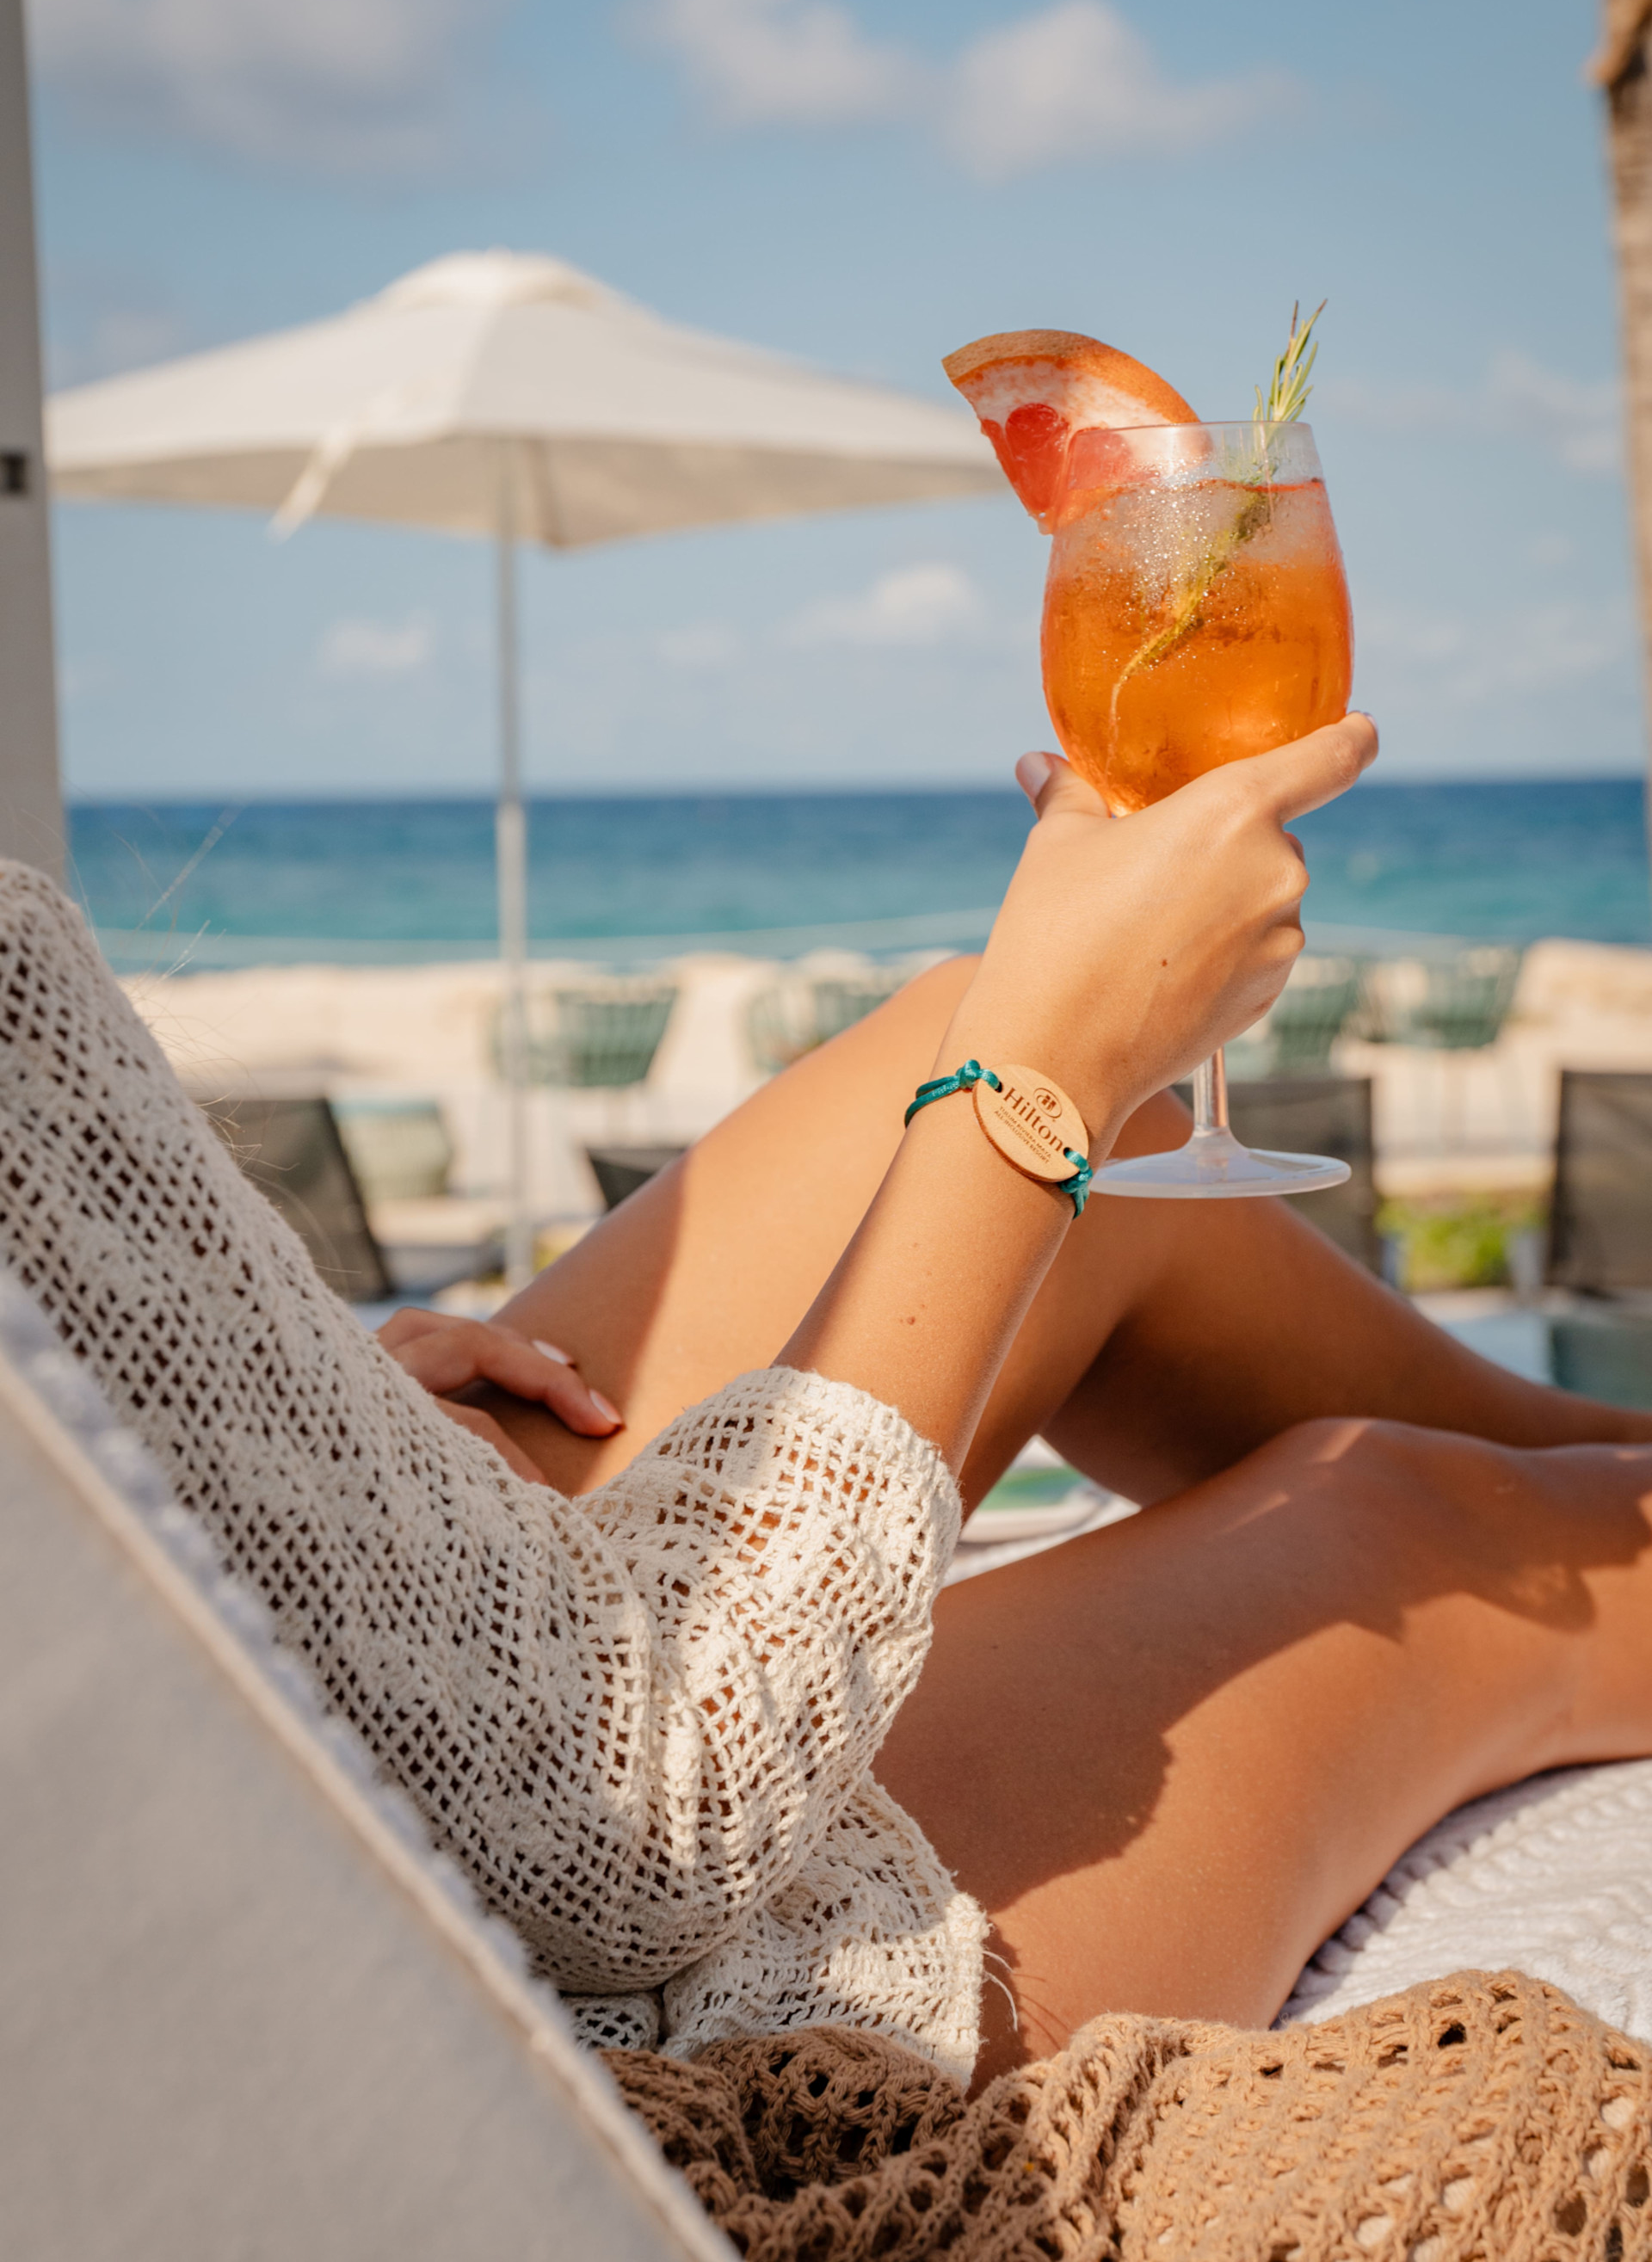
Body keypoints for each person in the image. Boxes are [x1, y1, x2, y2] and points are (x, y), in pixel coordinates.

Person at [7, 714, 1652, 2100]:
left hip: (233, 1638)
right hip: (455, 1968)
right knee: (1384, 1514)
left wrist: (272, 1410)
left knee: (1035, 1091)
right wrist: (1046, 1075)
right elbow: (627, 1832)